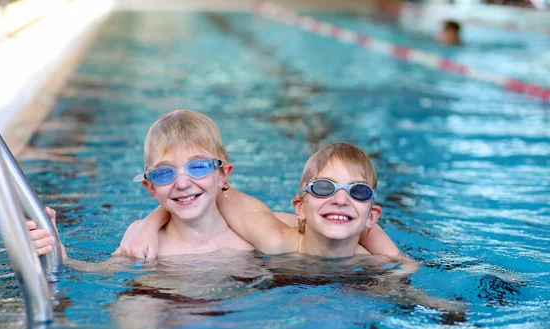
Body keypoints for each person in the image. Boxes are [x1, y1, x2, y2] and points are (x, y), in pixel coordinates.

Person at [29, 113, 402, 261]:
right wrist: (57, 251)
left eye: (197, 167)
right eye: (163, 174)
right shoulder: (143, 241)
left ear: (223, 176)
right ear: (148, 186)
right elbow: (103, 275)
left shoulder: (256, 235)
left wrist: (400, 264)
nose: (182, 181)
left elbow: (339, 214)